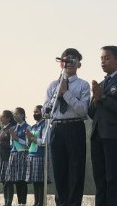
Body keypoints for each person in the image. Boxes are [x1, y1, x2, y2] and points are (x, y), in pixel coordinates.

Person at [43, 48, 90, 206]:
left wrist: (67, 94)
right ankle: (61, 203)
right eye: (66, 59)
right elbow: (45, 110)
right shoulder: (53, 85)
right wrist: (55, 97)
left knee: (76, 170)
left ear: (79, 64)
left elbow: (83, 110)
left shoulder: (83, 85)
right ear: (61, 63)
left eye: (73, 59)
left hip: (75, 127)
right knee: (59, 170)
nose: (69, 62)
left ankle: (74, 203)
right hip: (57, 128)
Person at [88, 46, 117, 206]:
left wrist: (103, 97)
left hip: (113, 136)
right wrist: (95, 98)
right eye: (101, 58)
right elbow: (91, 113)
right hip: (96, 135)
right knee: (99, 178)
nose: (103, 61)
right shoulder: (100, 84)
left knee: (112, 177)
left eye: (107, 58)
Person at [25, 106, 47, 206]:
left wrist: (32, 138)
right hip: (31, 155)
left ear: (42, 112)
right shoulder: (33, 127)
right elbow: (28, 143)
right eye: (34, 112)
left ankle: (40, 202)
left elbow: (44, 142)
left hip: (40, 155)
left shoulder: (45, 125)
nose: (35, 114)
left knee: (40, 181)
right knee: (34, 180)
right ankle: (36, 201)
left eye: (37, 112)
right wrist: (29, 139)